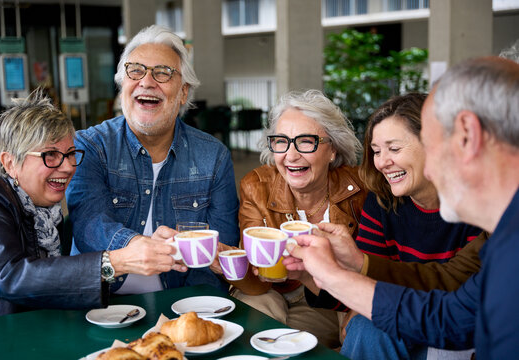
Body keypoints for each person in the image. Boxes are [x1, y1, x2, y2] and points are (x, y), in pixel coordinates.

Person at [285, 56, 519, 358]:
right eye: (377, 152)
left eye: (432, 147)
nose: (431, 171)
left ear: (468, 134)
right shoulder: (502, 238)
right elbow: (451, 318)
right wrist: (336, 272)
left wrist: (342, 273)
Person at [65, 25, 239, 294]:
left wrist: (191, 308)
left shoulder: (213, 156)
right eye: (135, 70)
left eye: (163, 72)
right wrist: (139, 245)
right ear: (123, 83)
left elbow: (218, 254)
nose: (146, 81)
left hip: (180, 301)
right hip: (100, 299)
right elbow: (89, 226)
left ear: (183, 92)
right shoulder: (91, 145)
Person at [0, 90, 177, 318]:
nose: (68, 167)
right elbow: (7, 276)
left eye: (71, 153)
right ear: (10, 162)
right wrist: (113, 262)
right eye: (50, 155)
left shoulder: (45, 211)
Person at [231, 89, 367, 348]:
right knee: (248, 329)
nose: (291, 156)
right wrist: (229, 263)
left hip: (330, 295)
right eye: (281, 141)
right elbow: (254, 275)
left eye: (306, 141)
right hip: (271, 289)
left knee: (288, 342)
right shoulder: (255, 185)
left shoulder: (362, 189)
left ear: (332, 151)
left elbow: (369, 270)